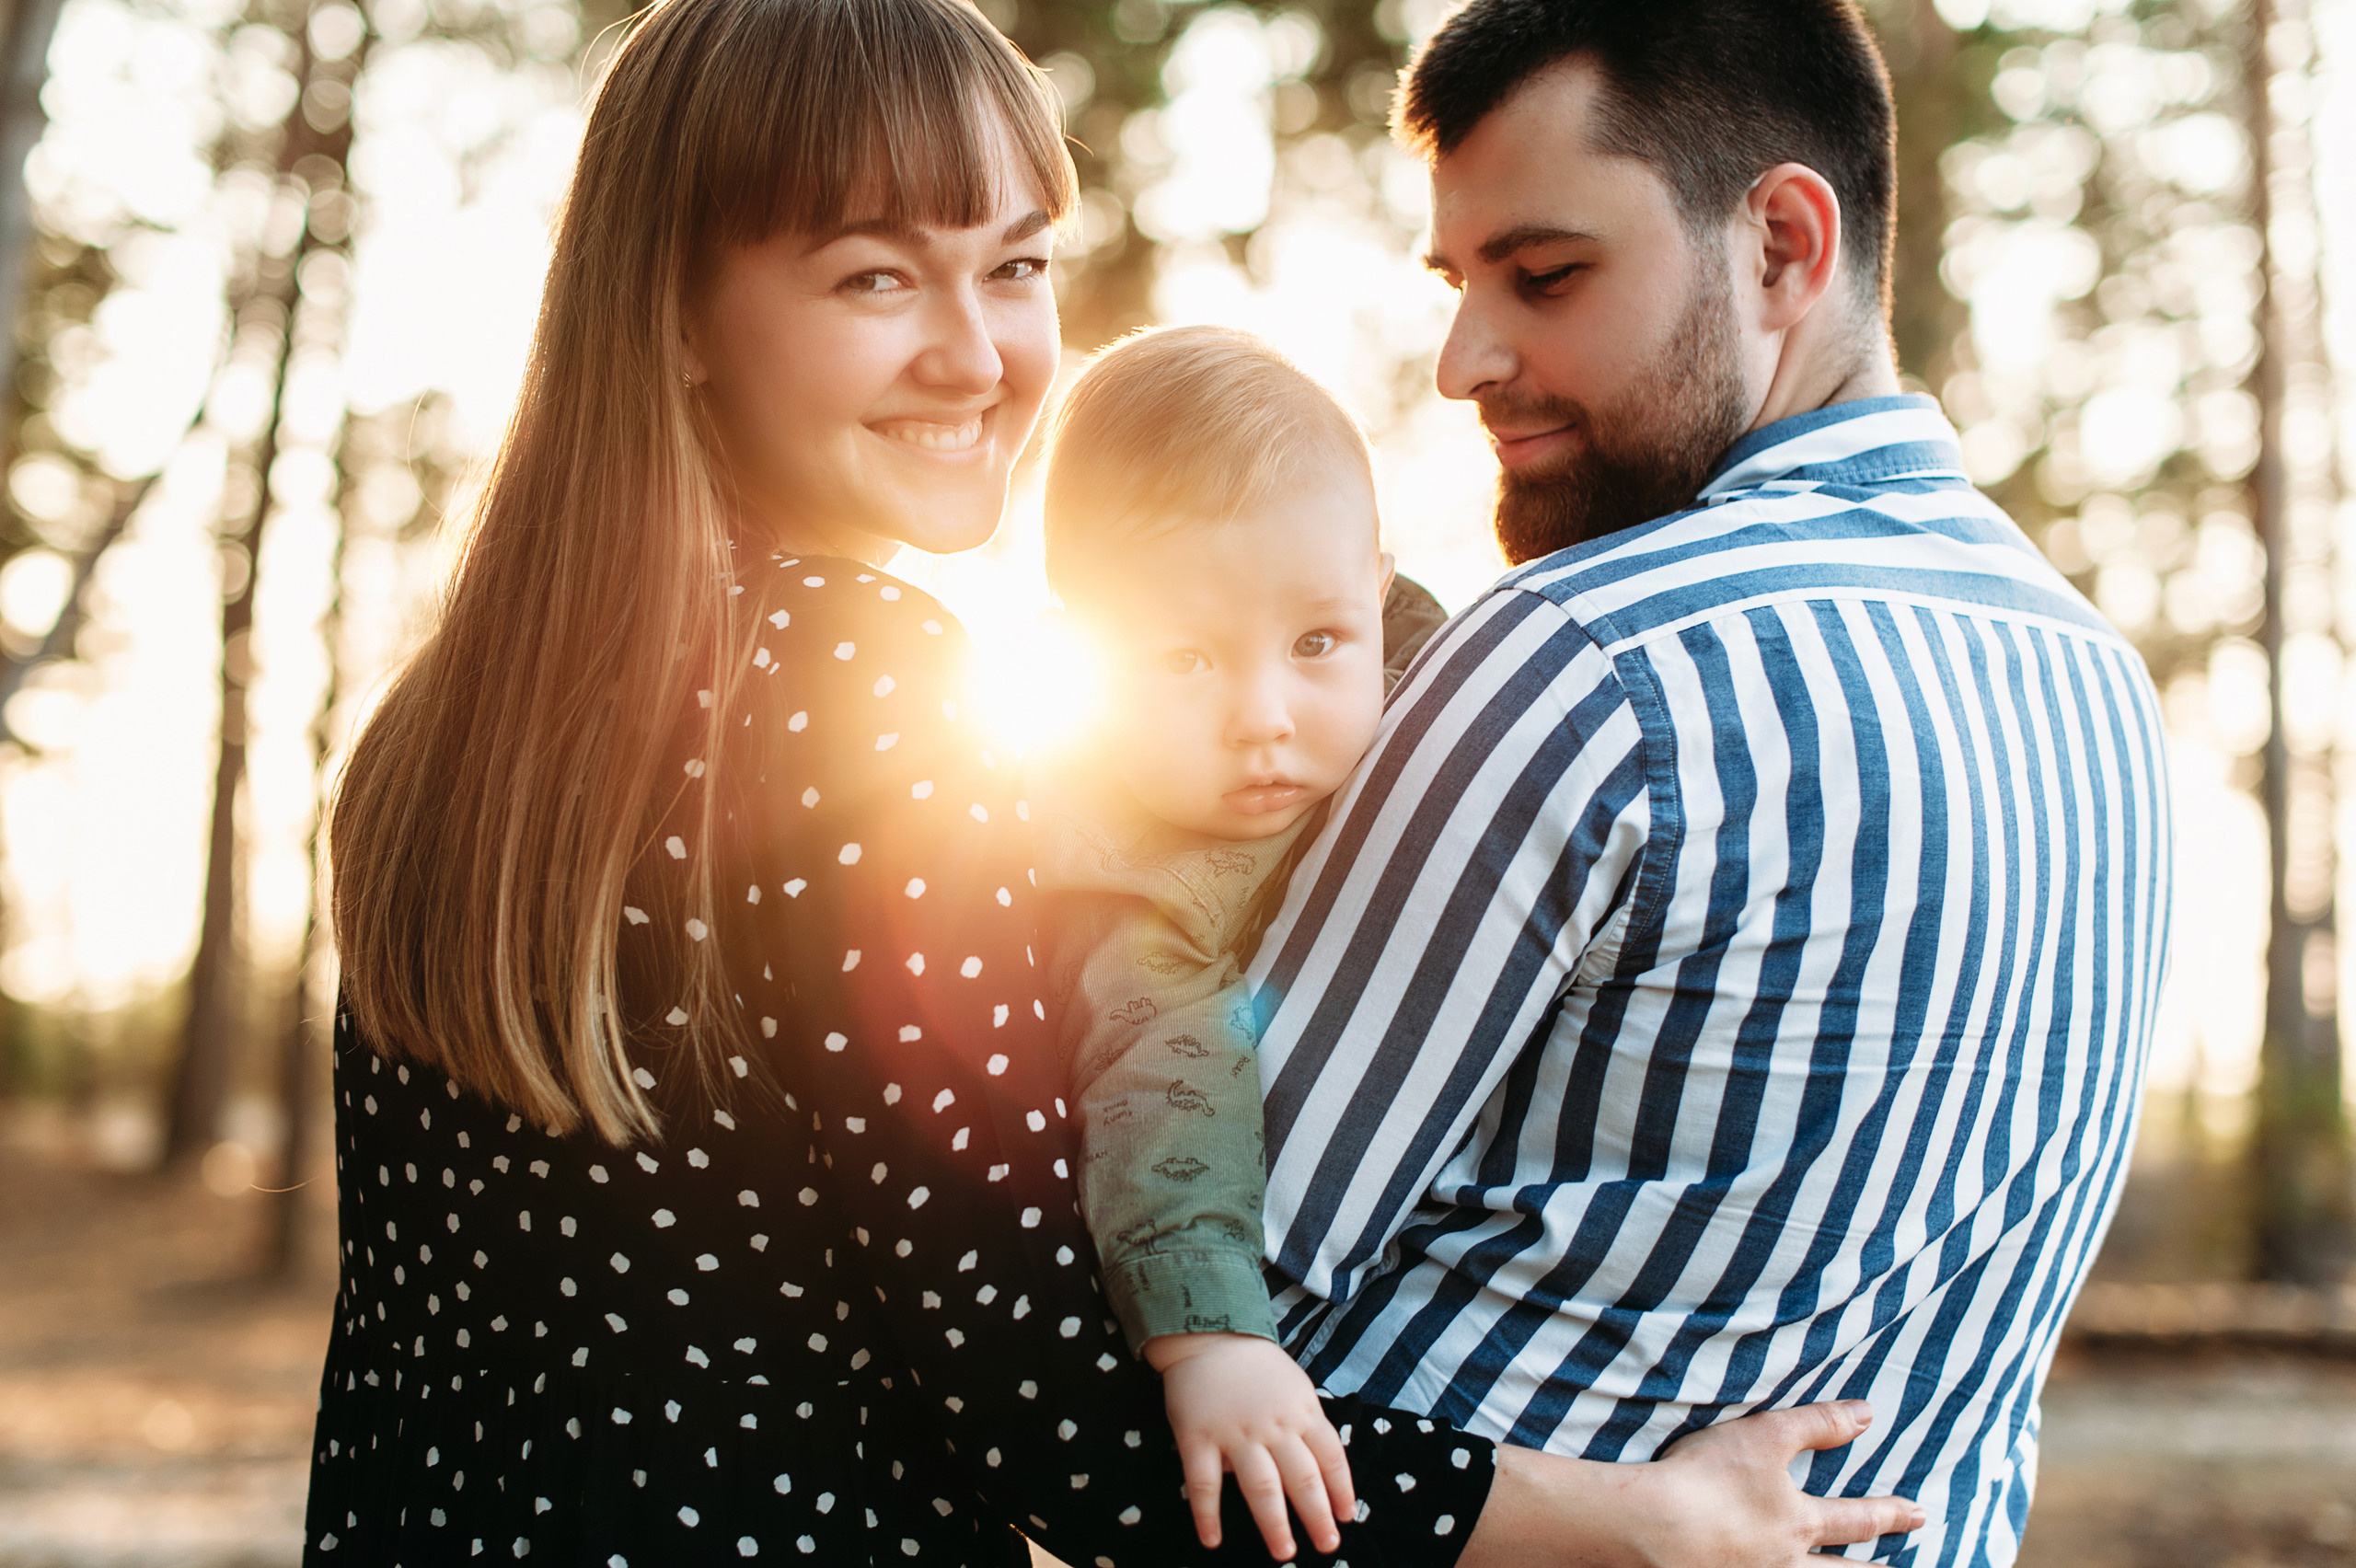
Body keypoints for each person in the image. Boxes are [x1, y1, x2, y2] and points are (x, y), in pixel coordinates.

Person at [305, 0, 1927, 1561]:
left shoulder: (444, 728)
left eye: (1012, 267)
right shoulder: (858, 677)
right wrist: (1634, 1524)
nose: (979, 354)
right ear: (672, 312)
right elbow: (1057, 1416)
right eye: (877, 277)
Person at [1245, 3, 2169, 1566]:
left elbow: (1190, 1275)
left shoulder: (1585, 655)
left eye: (1545, 277)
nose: (1469, 359)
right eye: (1459, 284)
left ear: (1783, 247)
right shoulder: (2103, 689)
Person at [1033, 326, 1448, 1559]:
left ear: (1375, 591)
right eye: (1185, 659)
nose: (1262, 720)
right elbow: (1164, 1086)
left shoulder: (1442, 676)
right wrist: (1212, 1339)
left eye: (1316, 643)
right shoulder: (1134, 876)